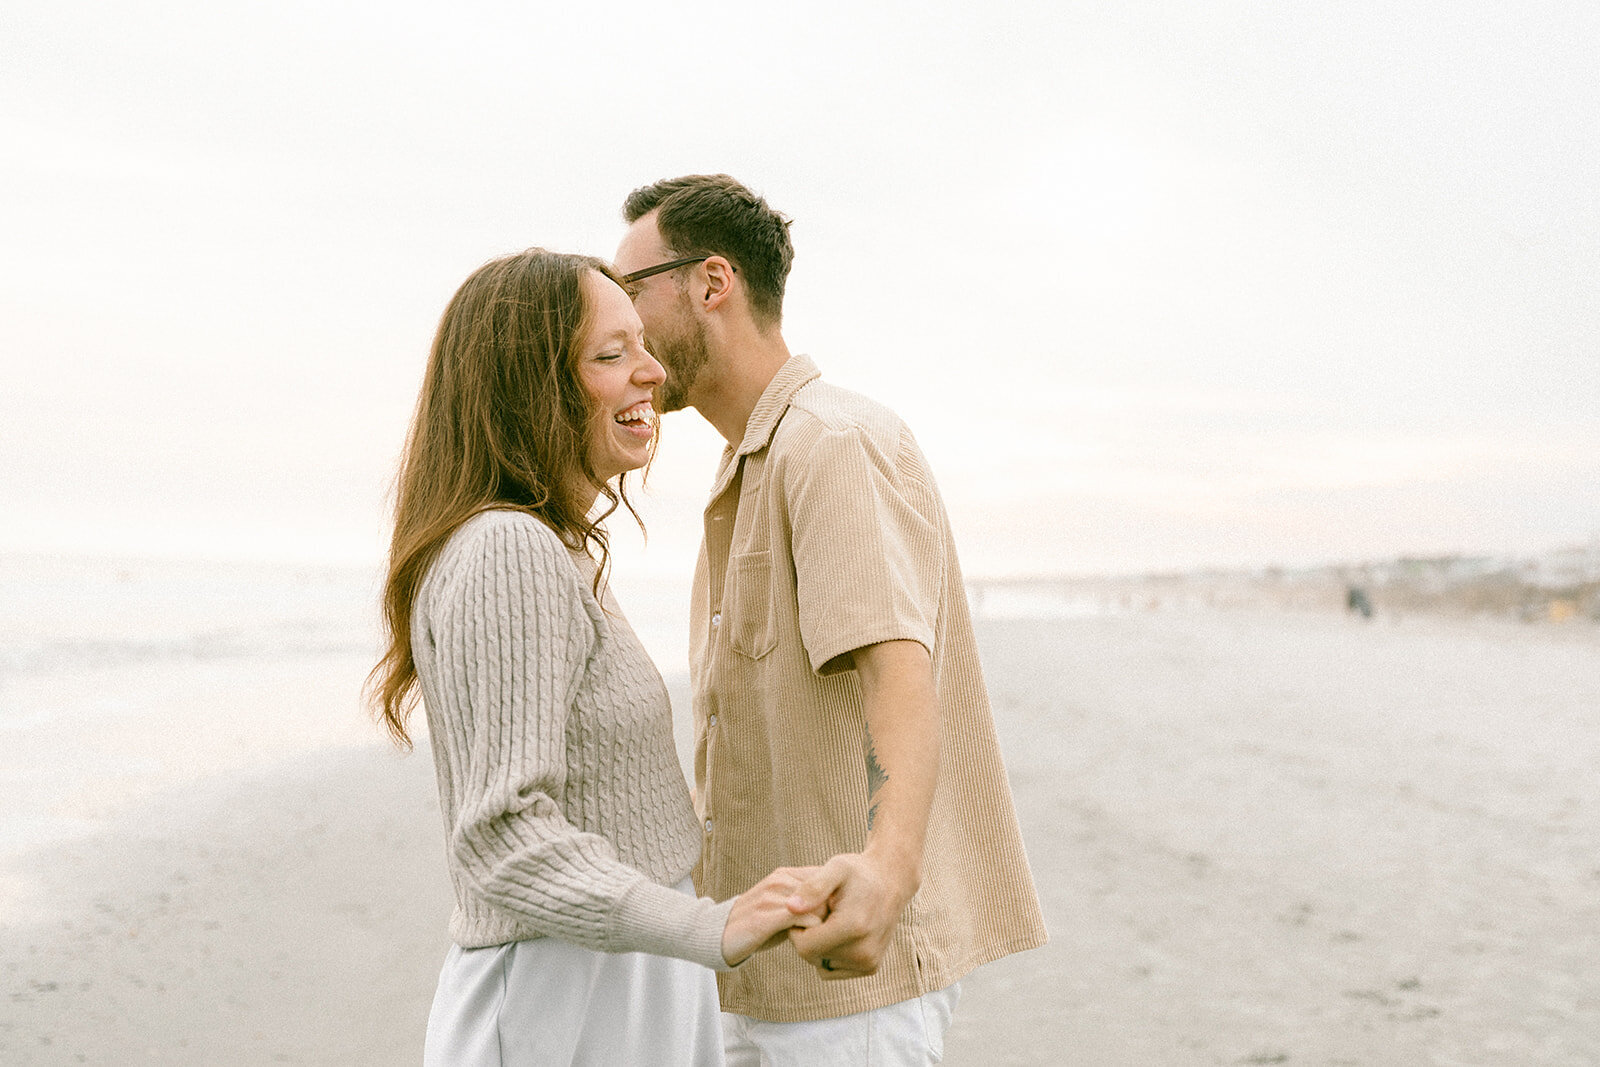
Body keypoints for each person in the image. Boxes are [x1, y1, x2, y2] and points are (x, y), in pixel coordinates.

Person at [614, 176, 1049, 1065]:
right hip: (767, 974)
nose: (618, 323)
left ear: (710, 282)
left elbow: (899, 671)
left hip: (853, 987)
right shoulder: (748, 468)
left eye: (630, 290)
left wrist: (888, 869)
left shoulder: (829, 443)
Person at [368, 249, 820, 1066]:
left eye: (641, 343)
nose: (651, 371)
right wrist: (707, 927)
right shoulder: (508, 549)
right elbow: (503, 838)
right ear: (532, 384)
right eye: (612, 354)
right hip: (562, 995)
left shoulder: (557, 548)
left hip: (624, 976)